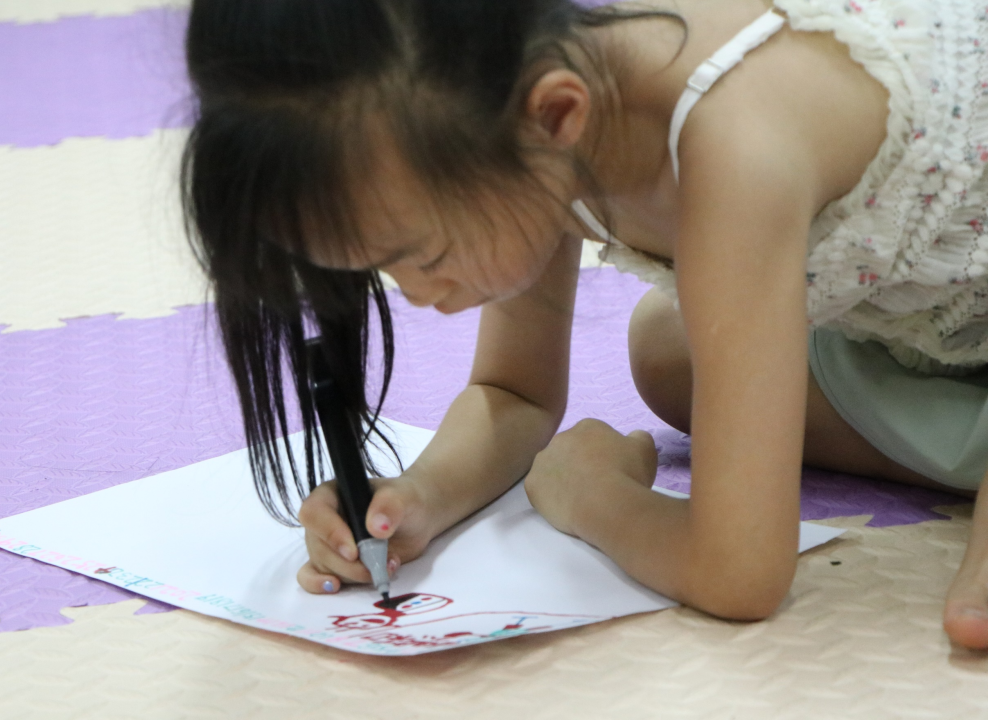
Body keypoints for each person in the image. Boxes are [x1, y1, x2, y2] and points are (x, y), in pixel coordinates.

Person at [181, 0, 988, 649]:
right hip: (925, 319)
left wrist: (591, 495)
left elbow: (742, 573)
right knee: (666, 352)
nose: (415, 294)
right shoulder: (529, 112)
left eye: (422, 254)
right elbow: (514, 393)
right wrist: (416, 498)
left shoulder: (734, 144)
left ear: (554, 116)